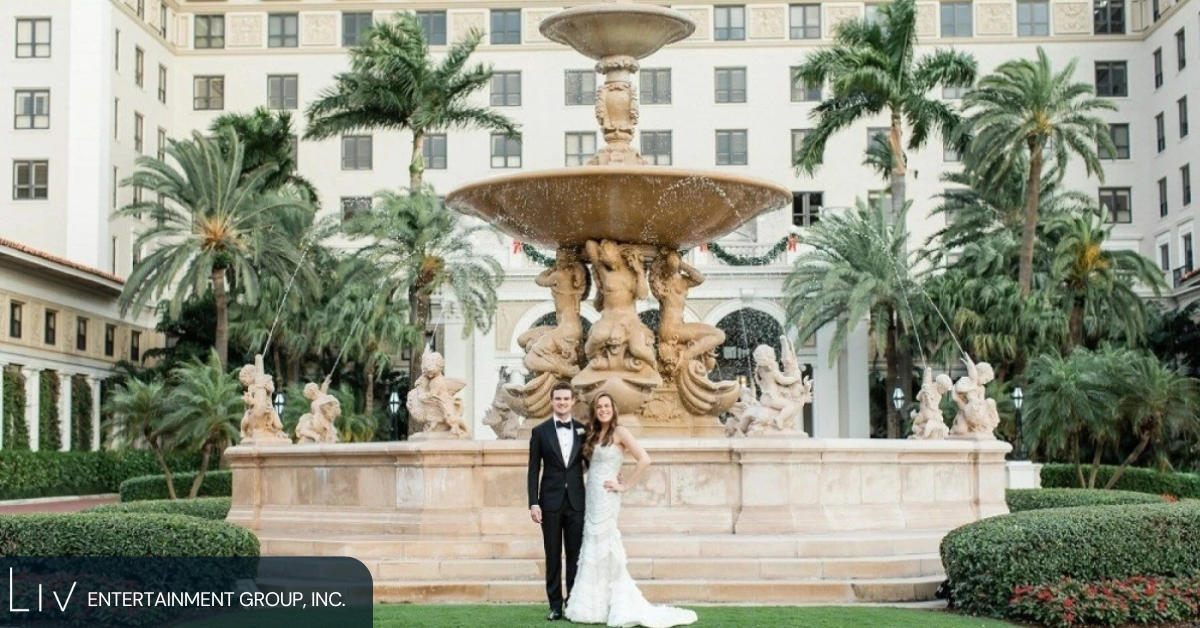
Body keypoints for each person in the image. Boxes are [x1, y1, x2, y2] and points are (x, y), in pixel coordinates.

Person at [565, 393, 698, 628]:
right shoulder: (593, 434)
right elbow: (588, 467)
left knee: (606, 543)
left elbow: (644, 459)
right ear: (595, 410)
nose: (603, 410)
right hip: (592, 495)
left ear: (613, 409)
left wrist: (624, 485)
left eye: (607, 406)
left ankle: (615, 601)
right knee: (592, 543)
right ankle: (593, 605)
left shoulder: (620, 432)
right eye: (599, 406)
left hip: (608, 497)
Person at [528, 382, 589, 621]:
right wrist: (533, 502)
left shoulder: (583, 431)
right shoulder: (539, 432)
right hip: (549, 503)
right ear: (552, 401)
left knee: (575, 556)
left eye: (566, 399)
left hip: (576, 502)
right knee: (552, 555)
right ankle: (554, 605)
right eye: (558, 399)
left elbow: (592, 464)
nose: (562, 403)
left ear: (573, 401)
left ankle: (572, 603)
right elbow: (533, 470)